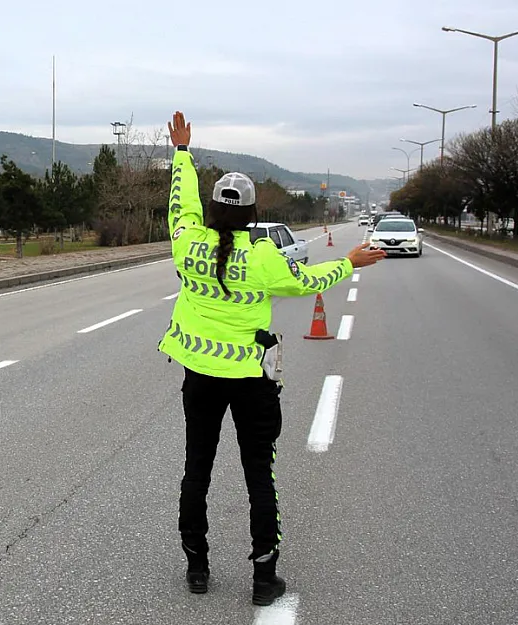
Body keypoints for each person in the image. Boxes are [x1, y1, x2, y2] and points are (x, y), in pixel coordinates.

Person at [158, 111, 385, 606]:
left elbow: (179, 205)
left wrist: (181, 153)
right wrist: (350, 261)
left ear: (213, 210)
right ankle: (264, 578)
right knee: (258, 471)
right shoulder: (263, 257)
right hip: (249, 381)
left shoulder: (187, 244)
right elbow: (309, 282)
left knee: (197, 468)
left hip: (200, 377)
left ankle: (197, 567)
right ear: (253, 214)